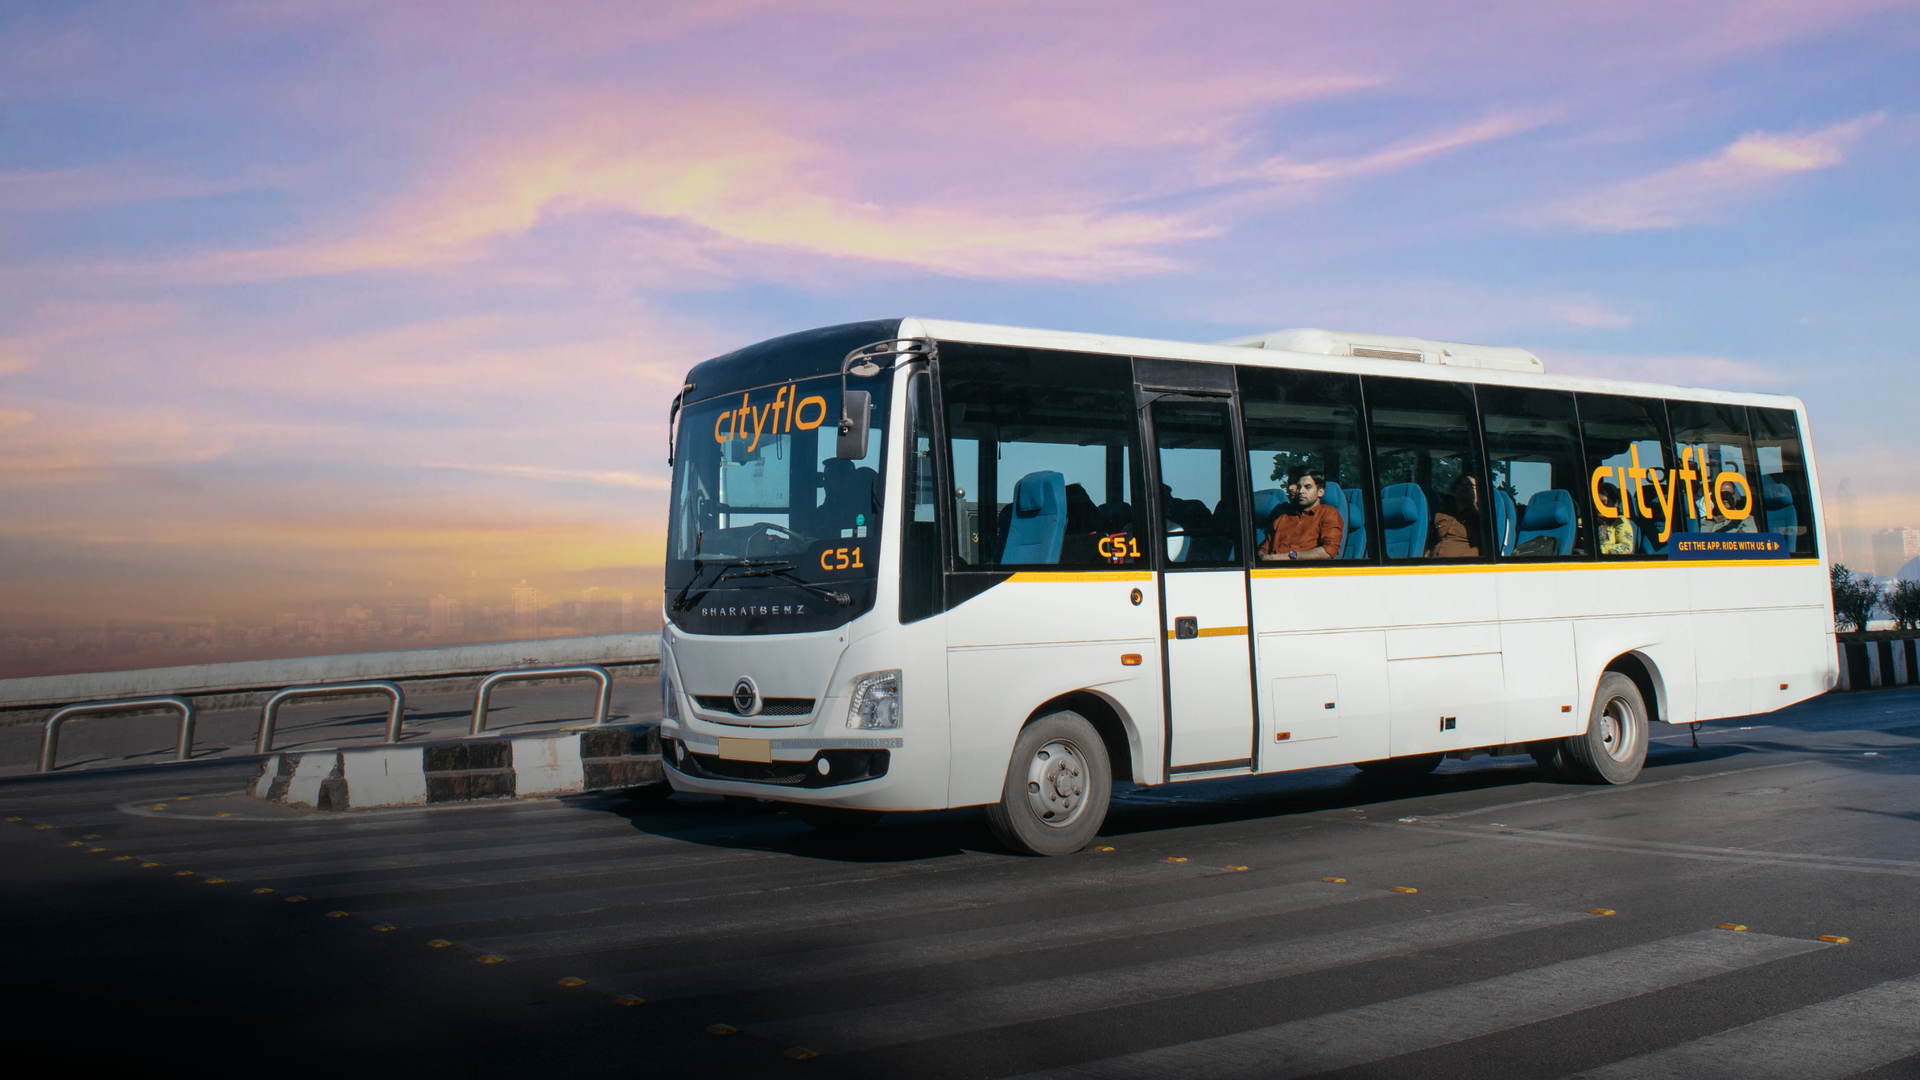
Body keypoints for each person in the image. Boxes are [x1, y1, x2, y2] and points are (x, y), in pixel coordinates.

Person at [1259, 466, 1344, 561]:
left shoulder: (1328, 513)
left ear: (1320, 492)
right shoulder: (1282, 518)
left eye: (1308, 487)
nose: (1301, 491)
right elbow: (1263, 550)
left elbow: (1329, 551)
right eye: (1299, 487)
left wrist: (1289, 556)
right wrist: (1264, 557)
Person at [1426, 474, 1482, 558]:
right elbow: (1431, 543)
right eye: (1463, 483)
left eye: (1472, 486)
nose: (1467, 487)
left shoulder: (1479, 519)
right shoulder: (1441, 515)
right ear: (1455, 489)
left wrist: (1461, 561)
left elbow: (1482, 549)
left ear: (1478, 495)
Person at [1596, 481, 1636, 554]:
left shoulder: (1620, 522)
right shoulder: (1586, 521)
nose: (1600, 507)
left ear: (1615, 503)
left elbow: (1626, 547)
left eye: (1604, 503)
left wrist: (1600, 550)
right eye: (1598, 503)